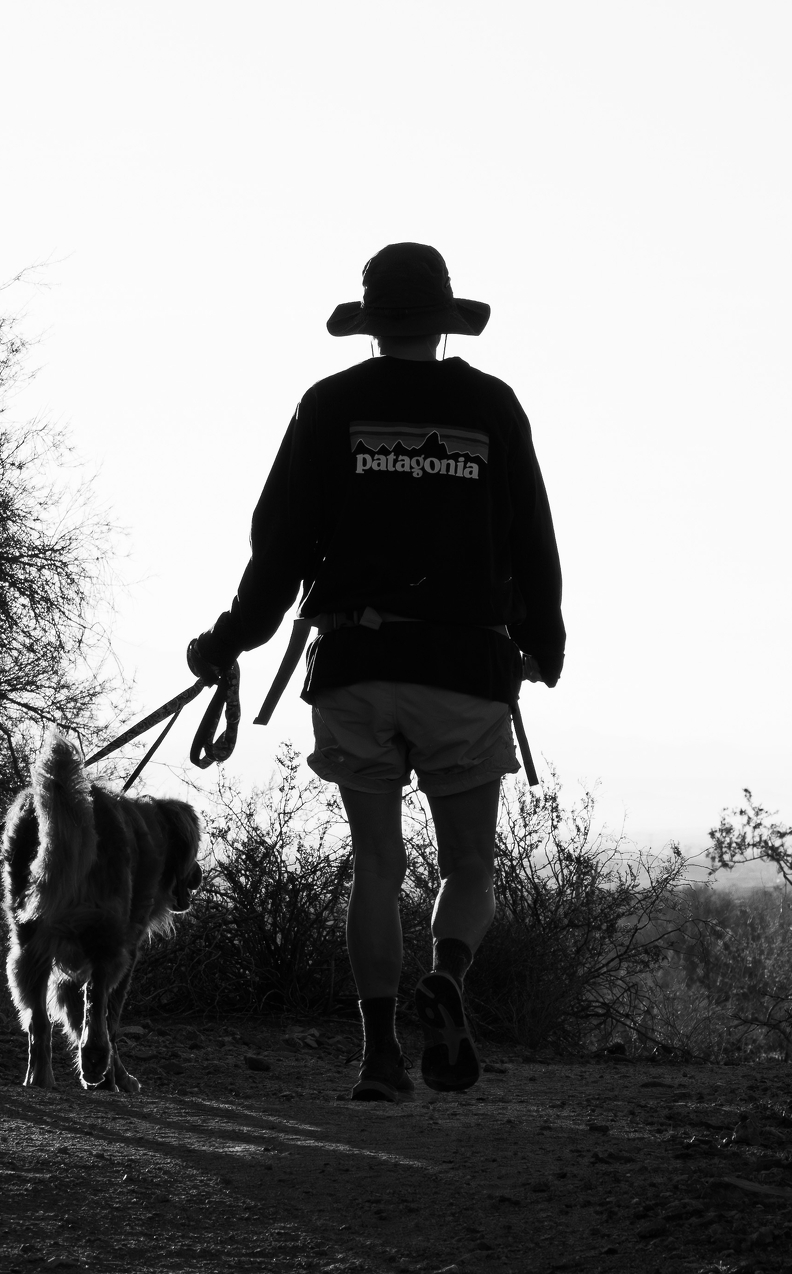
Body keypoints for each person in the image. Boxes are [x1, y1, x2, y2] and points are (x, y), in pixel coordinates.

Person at [187, 243, 564, 1101]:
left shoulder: (329, 405)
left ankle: (380, 1059)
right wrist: (545, 645)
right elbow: (534, 538)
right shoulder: (493, 406)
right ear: (443, 321)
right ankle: (449, 974)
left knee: (377, 867)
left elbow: (279, 548)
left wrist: (228, 640)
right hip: (464, 667)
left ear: (371, 324)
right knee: (467, 866)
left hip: (357, 665)